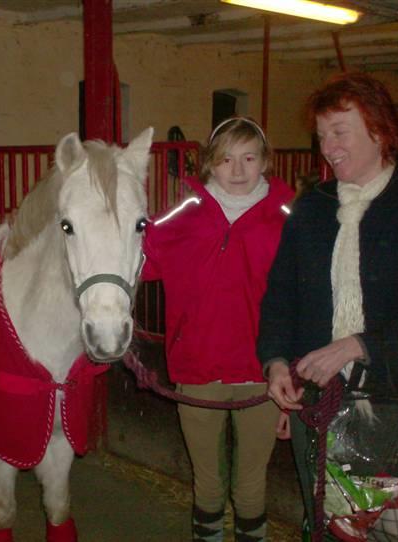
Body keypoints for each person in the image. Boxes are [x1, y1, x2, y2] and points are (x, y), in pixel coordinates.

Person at [257, 72, 398, 537]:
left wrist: (359, 345)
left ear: (378, 131)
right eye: (321, 136)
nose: (328, 147)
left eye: (340, 132)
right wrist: (276, 363)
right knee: (331, 529)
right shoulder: (310, 212)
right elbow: (281, 298)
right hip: (322, 414)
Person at [142, 117, 295, 542]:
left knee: (250, 487)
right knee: (206, 483)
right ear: (210, 163)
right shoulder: (185, 213)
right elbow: (138, 257)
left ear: (265, 161)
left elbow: (304, 302)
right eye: (226, 158)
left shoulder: (287, 218)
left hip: (262, 372)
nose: (239, 169)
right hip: (198, 368)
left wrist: (291, 387)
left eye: (249, 157)